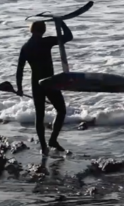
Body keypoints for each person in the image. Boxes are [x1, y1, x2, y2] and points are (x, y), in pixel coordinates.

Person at [16, 19, 73, 156]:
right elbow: (68, 36)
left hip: (36, 83)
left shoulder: (26, 47)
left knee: (39, 115)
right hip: (50, 82)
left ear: (31, 30)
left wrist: (19, 88)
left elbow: (20, 70)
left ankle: (44, 147)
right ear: (43, 30)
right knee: (61, 110)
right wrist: (61, 23)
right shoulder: (46, 42)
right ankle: (52, 140)